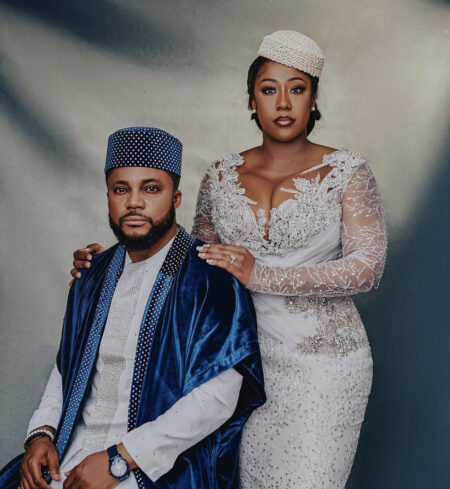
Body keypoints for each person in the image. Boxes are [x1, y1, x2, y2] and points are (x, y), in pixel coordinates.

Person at [70, 30, 387, 488]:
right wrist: (115, 264)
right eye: (269, 90)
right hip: (231, 363)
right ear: (252, 100)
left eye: (297, 89)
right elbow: (192, 263)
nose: (283, 103)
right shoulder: (220, 175)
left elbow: (367, 268)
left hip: (322, 366)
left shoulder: (349, 172)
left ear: (314, 98)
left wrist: (261, 274)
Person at [0, 127, 265, 489]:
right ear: (108, 195)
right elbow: (66, 368)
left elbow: (217, 398)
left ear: (176, 198)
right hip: (67, 455)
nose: (134, 202)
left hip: (155, 465)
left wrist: (119, 460)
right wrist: (41, 434)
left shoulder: (210, 279)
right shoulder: (92, 274)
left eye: (151, 189)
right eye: (121, 189)